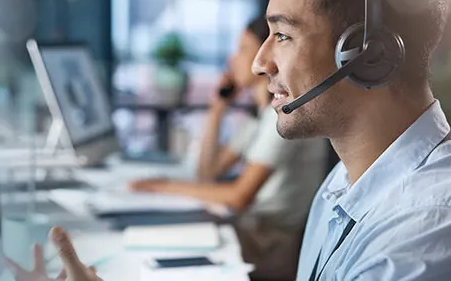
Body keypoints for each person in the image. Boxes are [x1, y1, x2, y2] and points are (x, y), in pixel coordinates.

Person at [1, 0, 451, 280]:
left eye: (282, 35)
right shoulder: (345, 182)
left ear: (367, 54)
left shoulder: (419, 237)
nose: (260, 63)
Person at [127, 16, 329, 279]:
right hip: (254, 234)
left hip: (271, 246)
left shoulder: (281, 120)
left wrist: (159, 186)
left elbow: (238, 197)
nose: (234, 60)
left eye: (243, 49)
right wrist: (217, 110)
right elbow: (207, 174)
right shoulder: (259, 118)